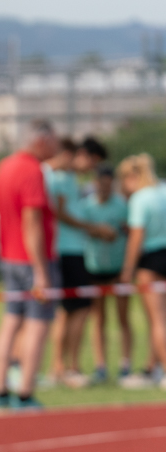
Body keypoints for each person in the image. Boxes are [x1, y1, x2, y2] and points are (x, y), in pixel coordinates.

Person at [0, 120, 59, 410]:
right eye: (54, 140)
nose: (57, 146)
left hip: (9, 256)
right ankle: (25, 392)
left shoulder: (5, 166)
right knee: (37, 325)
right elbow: (32, 222)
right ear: (41, 140)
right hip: (31, 261)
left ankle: (0, 389)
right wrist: (41, 271)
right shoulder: (32, 170)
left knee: (10, 322)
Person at [44, 138, 115, 388]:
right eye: (93, 162)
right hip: (67, 251)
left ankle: (60, 367)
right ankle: (68, 367)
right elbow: (60, 214)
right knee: (79, 309)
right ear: (81, 154)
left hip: (71, 250)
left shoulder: (69, 178)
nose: (92, 168)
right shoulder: (60, 177)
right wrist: (93, 228)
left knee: (69, 310)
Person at [77, 164, 133, 384]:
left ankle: (125, 364)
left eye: (109, 185)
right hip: (95, 268)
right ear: (95, 183)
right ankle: (101, 365)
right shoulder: (87, 207)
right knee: (99, 319)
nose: (105, 188)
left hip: (118, 268)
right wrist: (99, 231)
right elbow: (82, 229)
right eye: (101, 184)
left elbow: (130, 231)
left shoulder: (122, 206)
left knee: (123, 317)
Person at [117, 154, 166, 390]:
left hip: (151, 261)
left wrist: (127, 269)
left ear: (132, 176)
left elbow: (136, 236)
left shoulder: (140, 198)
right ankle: (150, 367)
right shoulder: (163, 191)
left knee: (157, 320)